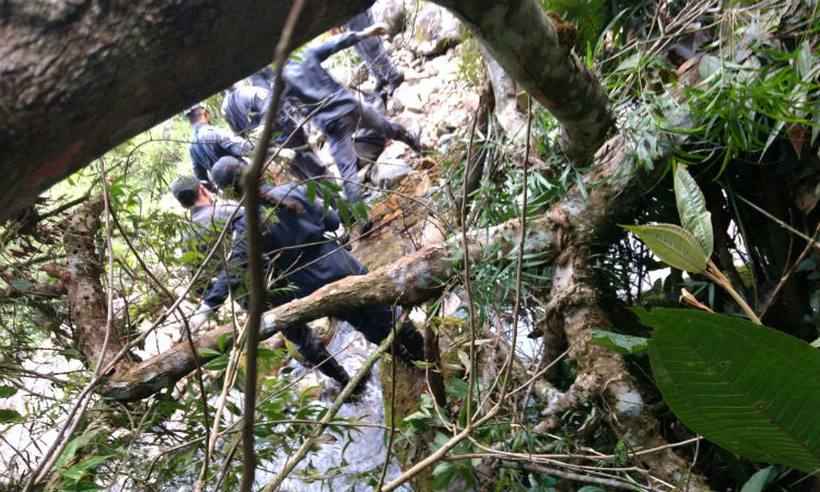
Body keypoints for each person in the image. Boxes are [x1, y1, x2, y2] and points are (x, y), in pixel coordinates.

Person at [207, 156, 425, 365]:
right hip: (340, 262)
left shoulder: (246, 225)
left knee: (364, 324)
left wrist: (209, 305)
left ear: (229, 195)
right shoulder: (292, 190)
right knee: (385, 310)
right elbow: (331, 221)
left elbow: (234, 269)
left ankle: (406, 360)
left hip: (314, 286)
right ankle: (424, 354)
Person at [170, 175, 356, 390]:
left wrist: (210, 302)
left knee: (298, 334)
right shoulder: (227, 212)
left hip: (245, 296)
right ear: (202, 189)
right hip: (273, 275)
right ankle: (345, 322)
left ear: (183, 203)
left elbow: (200, 285)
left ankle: (344, 380)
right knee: (320, 295)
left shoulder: (186, 238)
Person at [282, 23, 421, 208]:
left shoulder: (281, 81)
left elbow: (282, 110)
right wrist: (365, 33)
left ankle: (361, 218)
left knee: (347, 172)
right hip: (350, 106)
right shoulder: (306, 55)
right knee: (388, 128)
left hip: (332, 125)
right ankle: (419, 148)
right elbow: (335, 43)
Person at [221, 72, 326, 181]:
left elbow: (238, 134)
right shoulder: (247, 92)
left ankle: (319, 192)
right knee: (313, 168)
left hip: (271, 147)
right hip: (283, 136)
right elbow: (270, 105)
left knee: (300, 173)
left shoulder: (225, 109)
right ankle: (331, 192)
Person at [185, 104, 253, 190]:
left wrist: (214, 190)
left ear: (190, 121)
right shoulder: (213, 132)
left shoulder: (191, 146)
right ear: (205, 113)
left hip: (228, 189)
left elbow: (201, 178)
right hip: (244, 177)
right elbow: (244, 148)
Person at [344, 10, 405, 99]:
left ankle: (393, 75)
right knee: (360, 48)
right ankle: (380, 76)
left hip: (354, 9)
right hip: (344, 15)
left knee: (371, 44)